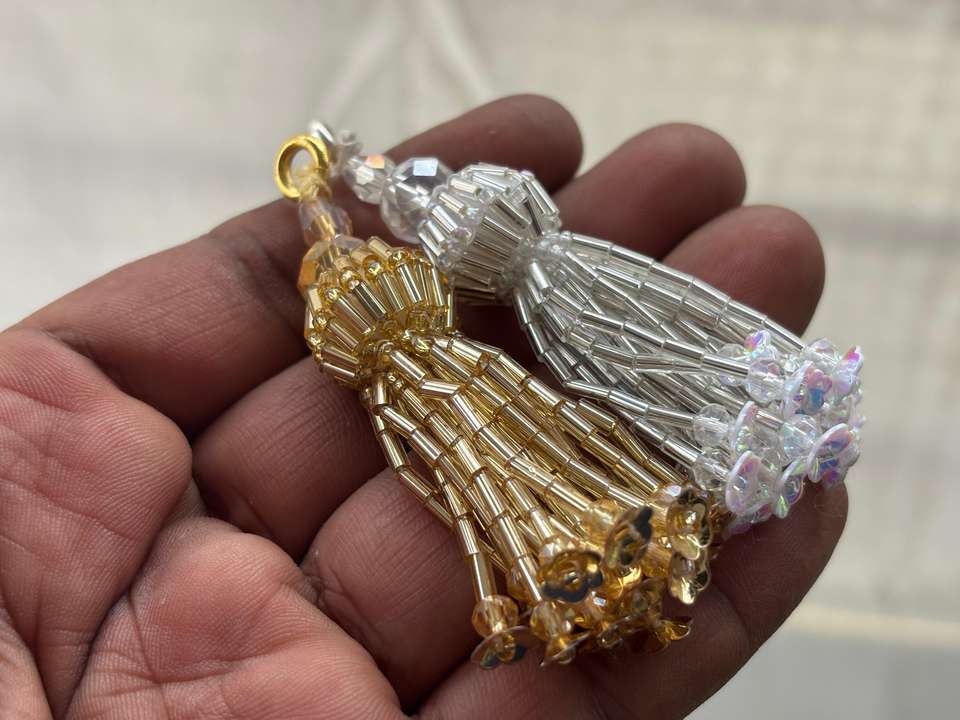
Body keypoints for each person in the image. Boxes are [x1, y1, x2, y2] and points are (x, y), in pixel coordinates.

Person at [0, 95, 845, 719]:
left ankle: (705, 465)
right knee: (524, 438)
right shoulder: (406, 355)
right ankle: (633, 524)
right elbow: (429, 461)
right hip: (439, 379)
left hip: (456, 367)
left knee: (535, 431)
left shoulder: (469, 316)